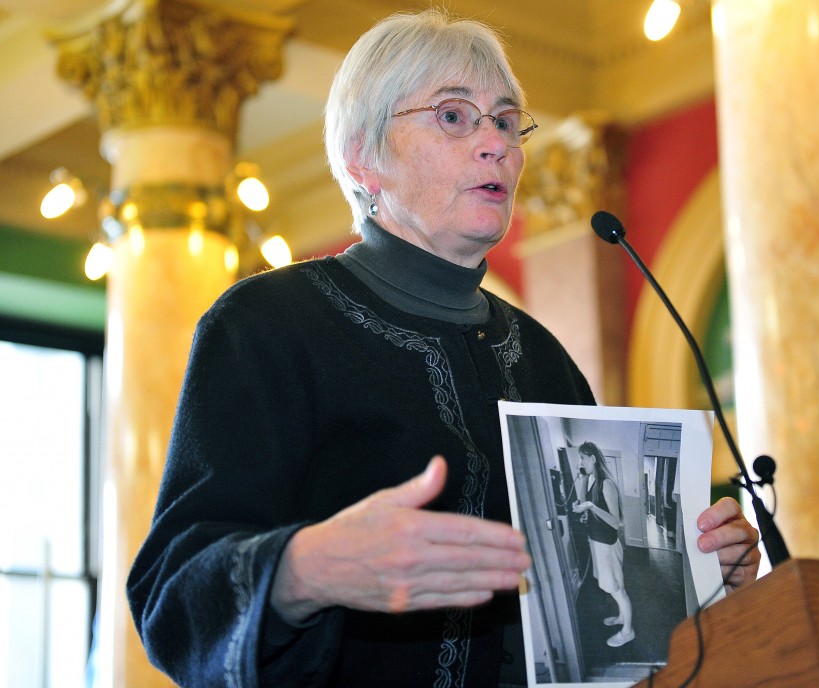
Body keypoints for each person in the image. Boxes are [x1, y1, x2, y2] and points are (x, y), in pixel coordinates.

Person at [127, 9, 761, 688]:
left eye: (507, 120)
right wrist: (306, 568)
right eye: (454, 117)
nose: (495, 144)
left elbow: (601, 625)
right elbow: (172, 594)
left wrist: (698, 577)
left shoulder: (545, 357)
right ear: (362, 159)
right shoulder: (266, 325)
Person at [572, 441, 634, 648]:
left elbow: (615, 522)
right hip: (597, 542)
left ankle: (628, 631)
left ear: (593, 459)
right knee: (614, 586)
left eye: (582, 457)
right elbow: (582, 503)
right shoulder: (590, 480)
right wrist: (582, 481)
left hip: (608, 544)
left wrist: (591, 506)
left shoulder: (606, 483)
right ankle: (621, 617)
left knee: (618, 589)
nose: (580, 461)